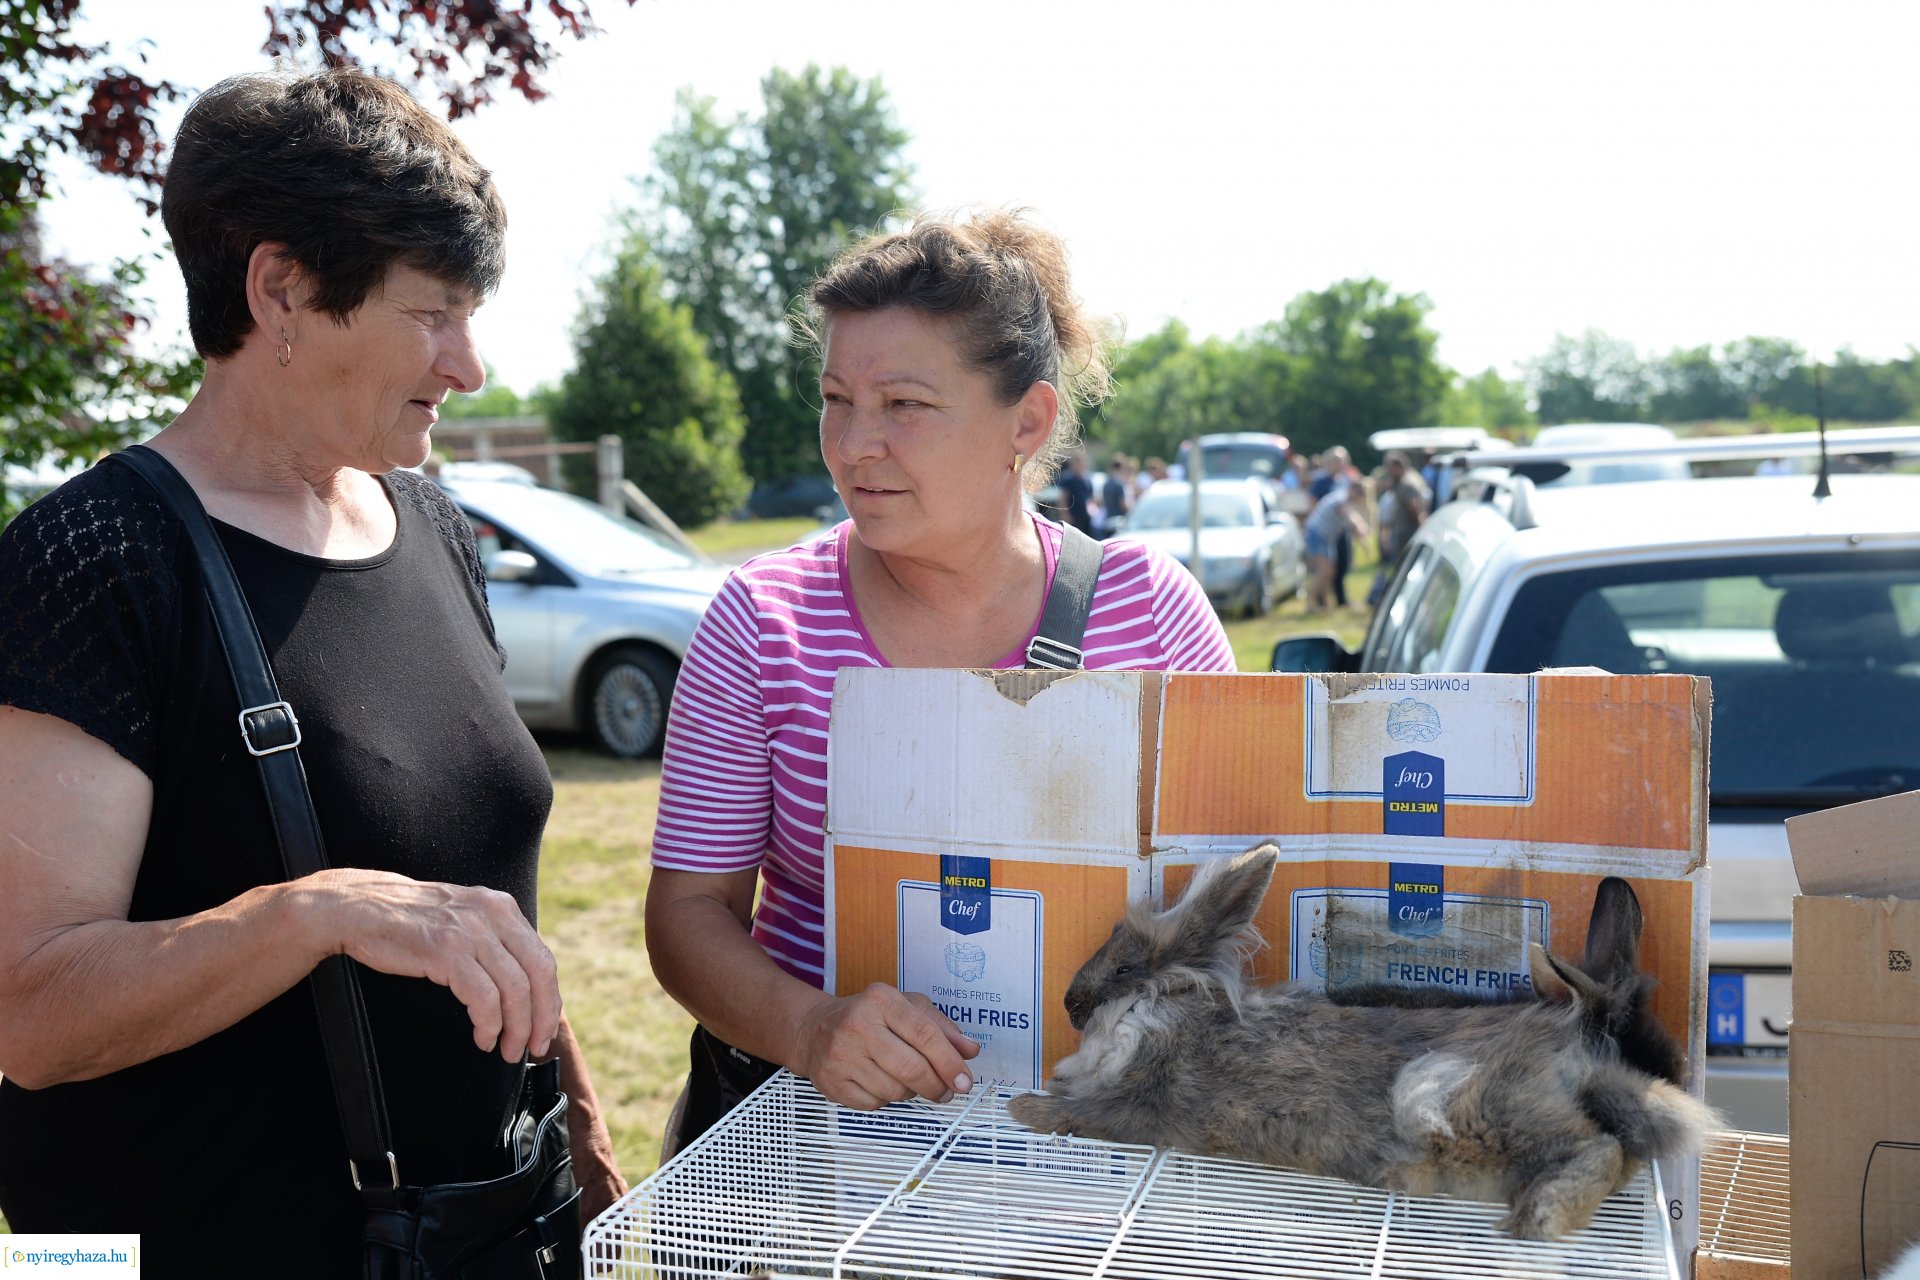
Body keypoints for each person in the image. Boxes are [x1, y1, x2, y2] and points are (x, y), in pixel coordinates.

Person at [0, 68, 623, 1268]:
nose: (470, 364)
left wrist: (580, 1121)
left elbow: (476, 894)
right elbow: (29, 1014)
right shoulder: (93, 559)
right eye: (433, 312)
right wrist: (316, 911)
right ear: (280, 289)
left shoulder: (432, 526)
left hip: (484, 1225)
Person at [644, 210, 1237, 1155]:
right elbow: (687, 916)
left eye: (904, 405)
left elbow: (1237, 902)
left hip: (1089, 1171)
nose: (853, 444)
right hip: (819, 1163)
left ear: (1027, 421)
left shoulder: (1154, 611)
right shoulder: (762, 619)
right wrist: (810, 1028)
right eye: (837, 398)